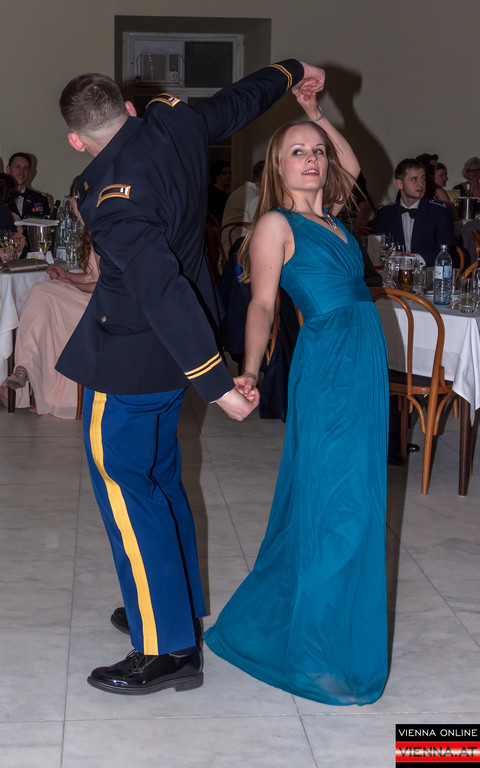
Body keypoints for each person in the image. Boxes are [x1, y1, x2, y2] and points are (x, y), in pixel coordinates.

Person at [56, 60, 326, 696]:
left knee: (128, 493)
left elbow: (160, 289)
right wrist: (289, 70)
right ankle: (173, 606)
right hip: (167, 361)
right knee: (160, 482)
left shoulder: (110, 198)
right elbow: (237, 101)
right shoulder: (171, 125)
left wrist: (218, 385)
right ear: (127, 108)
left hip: (130, 360)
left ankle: (166, 648)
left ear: (75, 140)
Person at [205, 89, 389, 705]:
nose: (311, 158)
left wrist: (314, 115)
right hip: (330, 362)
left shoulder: (334, 216)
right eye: (296, 153)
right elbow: (261, 304)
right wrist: (249, 369)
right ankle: (315, 650)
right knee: (338, 503)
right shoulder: (275, 225)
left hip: (363, 361)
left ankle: (326, 629)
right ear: (277, 168)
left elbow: (352, 166)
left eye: (317, 152)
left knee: (356, 495)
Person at [5, 182, 98, 417]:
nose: (73, 204)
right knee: (44, 297)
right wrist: (68, 276)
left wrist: (70, 284)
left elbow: (103, 284)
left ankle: (25, 368)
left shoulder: (103, 232)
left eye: (74, 198)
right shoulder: (90, 229)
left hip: (101, 304)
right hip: (90, 297)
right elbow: (91, 275)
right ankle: (27, 373)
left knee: (42, 293)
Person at [372, 158, 456, 266]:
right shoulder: (384, 213)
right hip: (394, 272)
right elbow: (377, 251)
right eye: (414, 180)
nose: (421, 184)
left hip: (428, 273)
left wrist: (414, 259)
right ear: (399, 183)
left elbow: (448, 252)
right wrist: (394, 256)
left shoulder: (439, 211)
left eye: (423, 179)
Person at [220, 160, 265, 255]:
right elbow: (263, 231)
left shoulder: (240, 191)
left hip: (227, 248)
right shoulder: (255, 198)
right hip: (239, 254)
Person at [5, 153, 51, 218]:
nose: (21, 172)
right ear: (8, 169)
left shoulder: (40, 199)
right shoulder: (2, 196)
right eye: (17, 167)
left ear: (29, 173)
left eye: (26, 168)